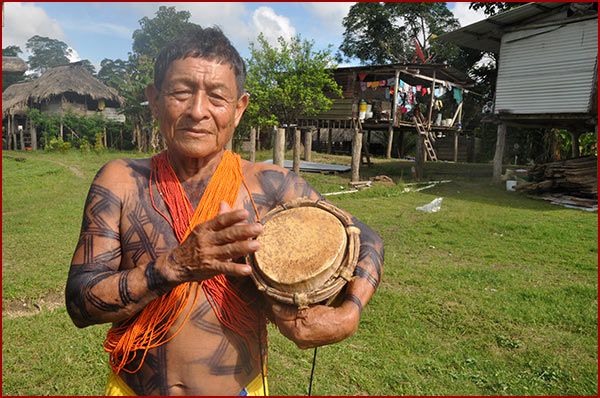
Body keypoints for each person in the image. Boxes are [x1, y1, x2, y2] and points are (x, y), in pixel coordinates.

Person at [65, 26, 384, 396]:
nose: (198, 111)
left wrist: (350, 312)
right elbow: (79, 303)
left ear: (238, 109)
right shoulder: (121, 181)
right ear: (154, 100)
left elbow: (364, 237)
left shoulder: (270, 186)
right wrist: (173, 267)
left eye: (217, 96)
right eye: (181, 93)